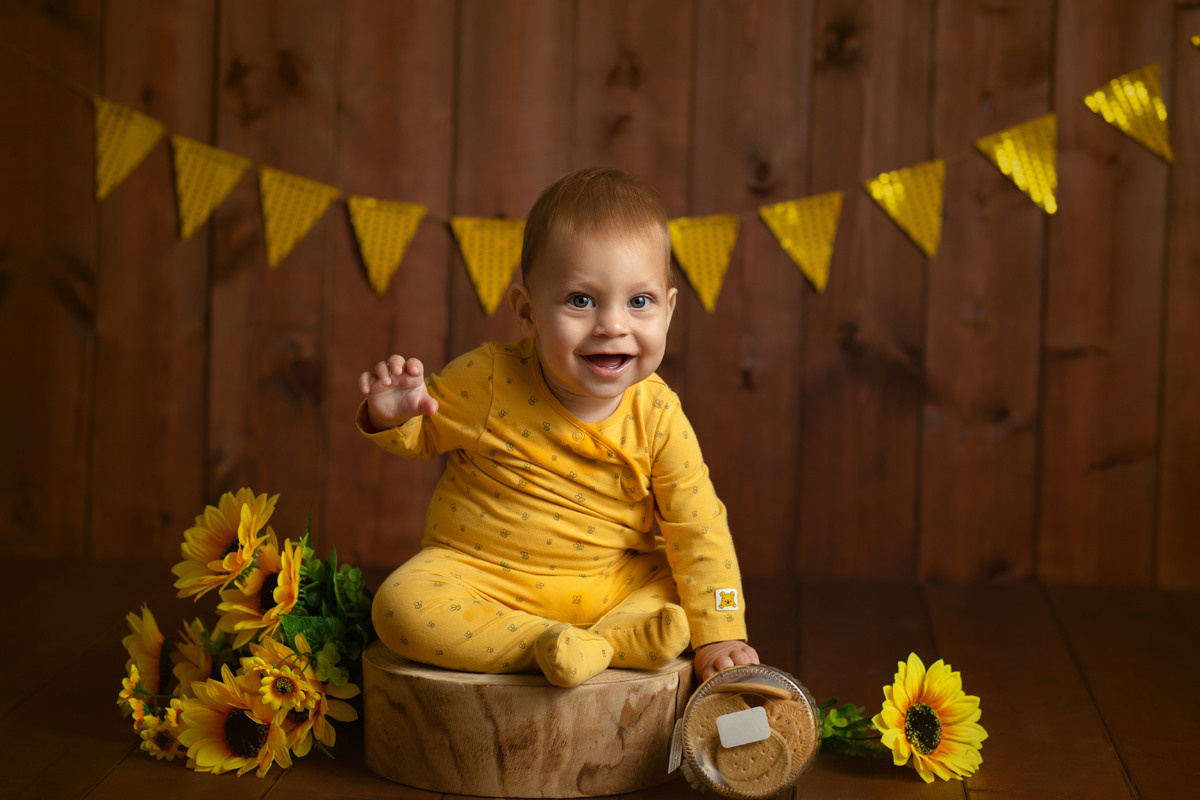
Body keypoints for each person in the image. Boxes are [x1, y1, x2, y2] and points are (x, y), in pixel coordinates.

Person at [358, 167, 759, 687]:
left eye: (639, 302)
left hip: (611, 583)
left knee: (682, 580)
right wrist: (393, 416)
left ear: (668, 310)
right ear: (528, 312)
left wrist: (721, 633)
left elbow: (698, 528)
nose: (612, 325)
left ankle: (603, 638)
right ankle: (559, 643)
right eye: (581, 300)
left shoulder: (658, 415)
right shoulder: (489, 379)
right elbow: (424, 435)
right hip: (483, 579)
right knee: (399, 607)